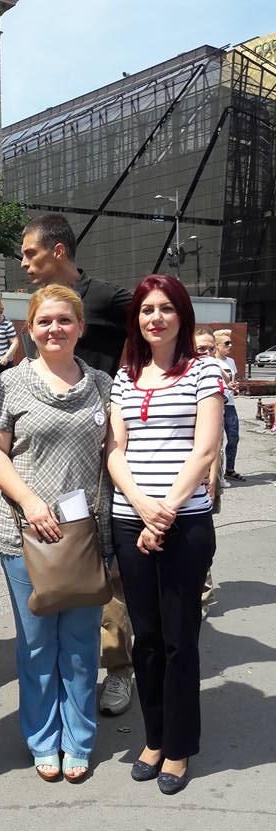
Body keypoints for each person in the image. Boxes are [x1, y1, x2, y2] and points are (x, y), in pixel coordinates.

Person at [0, 283, 113, 783]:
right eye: (44, 321)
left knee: (81, 645)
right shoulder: (11, 384)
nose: (54, 329)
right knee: (36, 644)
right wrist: (30, 501)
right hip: (25, 533)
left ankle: (78, 739)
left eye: (64, 320)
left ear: (80, 327)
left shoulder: (101, 385)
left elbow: (116, 452)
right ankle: (42, 738)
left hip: (87, 537)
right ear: (30, 329)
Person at [106, 275, 224, 795]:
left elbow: (205, 450)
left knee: (180, 640)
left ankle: (178, 746)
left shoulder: (204, 372)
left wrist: (164, 513)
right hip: (130, 519)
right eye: (146, 310)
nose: (155, 318)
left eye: (166, 308)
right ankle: (153, 738)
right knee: (147, 638)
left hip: (184, 523)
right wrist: (139, 504)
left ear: (182, 316)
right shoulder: (124, 376)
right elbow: (114, 449)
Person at [20, 212, 133, 716]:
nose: (24, 263)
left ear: (58, 251)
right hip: (52, 457)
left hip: (102, 448)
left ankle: (119, 669)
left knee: (106, 572)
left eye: (30, 253)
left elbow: (163, 319)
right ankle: (66, 680)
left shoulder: (106, 298)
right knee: (59, 571)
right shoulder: (40, 307)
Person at [195, 327, 224, 618]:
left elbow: (215, 438)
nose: (205, 353)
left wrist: (213, 474)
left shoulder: (213, 376)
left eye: (209, 348)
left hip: (208, 468)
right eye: (200, 349)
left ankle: (203, 594)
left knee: (202, 535)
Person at [214, 328, 244, 482]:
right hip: (217, 405)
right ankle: (214, 474)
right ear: (217, 345)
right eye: (226, 343)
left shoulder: (230, 361)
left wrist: (235, 385)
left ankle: (230, 470)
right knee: (216, 441)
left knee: (234, 437)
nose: (230, 345)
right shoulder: (211, 362)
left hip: (230, 404)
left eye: (231, 342)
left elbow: (232, 379)